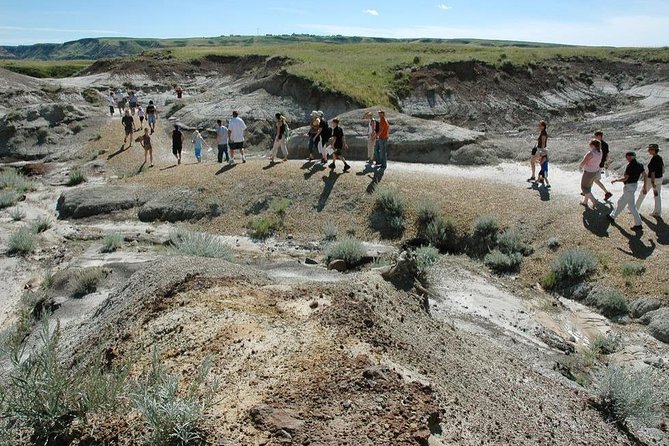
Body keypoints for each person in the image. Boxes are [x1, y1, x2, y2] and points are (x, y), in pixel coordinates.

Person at [608, 151, 646, 230]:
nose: (627, 158)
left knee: (630, 206)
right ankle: (612, 216)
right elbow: (645, 175)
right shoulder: (640, 165)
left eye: (627, 157)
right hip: (634, 185)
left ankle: (638, 224)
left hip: (628, 187)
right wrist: (644, 186)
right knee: (623, 202)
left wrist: (616, 180)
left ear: (630, 157)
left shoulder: (630, 166)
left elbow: (625, 178)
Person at [636, 143, 664, 218]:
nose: (648, 150)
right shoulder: (659, 157)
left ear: (654, 150)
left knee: (643, 192)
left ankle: (635, 208)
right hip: (659, 179)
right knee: (657, 195)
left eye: (650, 149)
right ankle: (657, 212)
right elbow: (662, 169)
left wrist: (652, 182)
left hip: (652, 180)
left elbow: (652, 172)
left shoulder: (654, 159)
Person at [579, 139, 603, 208]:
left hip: (588, 172)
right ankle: (585, 202)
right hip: (595, 171)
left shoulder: (590, 153)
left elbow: (583, 162)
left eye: (590, 144)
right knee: (588, 187)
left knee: (584, 188)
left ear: (593, 145)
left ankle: (594, 201)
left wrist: (580, 167)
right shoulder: (600, 152)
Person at [593, 130, 613, 201]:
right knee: (595, 179)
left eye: (595, 136)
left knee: (595, 179)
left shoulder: (598, 144)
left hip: (597, 164)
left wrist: (606, 163)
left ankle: (607, 192)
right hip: (600, 164)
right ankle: (586, 191)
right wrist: (606, 163)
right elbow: (607, 155)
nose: (594, 137)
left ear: (599, 136)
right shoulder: (605, 144)